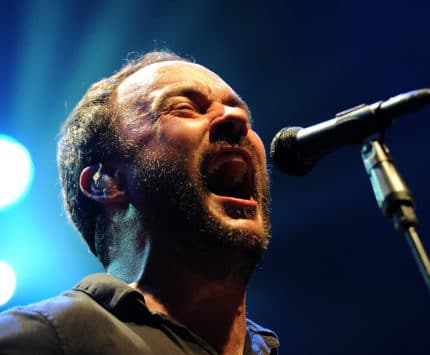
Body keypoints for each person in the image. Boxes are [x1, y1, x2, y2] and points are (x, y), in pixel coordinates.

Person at [0, 51, 279, 354]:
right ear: (106, 182)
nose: (236, 118)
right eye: (184, 108)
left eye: (243, 114)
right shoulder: (45, 338)